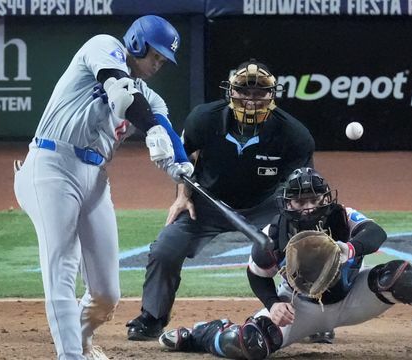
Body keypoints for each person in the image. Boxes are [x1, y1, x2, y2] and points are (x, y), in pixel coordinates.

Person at [157, 168, 412, 360]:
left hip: (353, 298)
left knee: (404, 275)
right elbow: (256, 275)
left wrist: (350, 249)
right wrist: (273, 303)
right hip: (300, 308)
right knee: (249, 344)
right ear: (286, 204)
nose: (307, 207)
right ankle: (201, 334)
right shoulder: (272, 235)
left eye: (313, 199)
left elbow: (376, 233)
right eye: (299, 201)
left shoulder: (343, 216)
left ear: (326, 198)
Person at [13, 15, 193, 360]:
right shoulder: (103, 47)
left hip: (95, 179)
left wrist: (180, 166)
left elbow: (167, 131)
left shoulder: (151, 100)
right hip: (52, 166)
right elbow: (120, 92)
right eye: (155, 54)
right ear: (137, 42)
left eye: (163, 60)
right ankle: (71, 356)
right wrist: (151, 130)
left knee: (106, 293)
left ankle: (79, 340)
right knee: (62, 267)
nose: (158, 64)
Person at [126, 59, 316, 342]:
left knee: (303, 248)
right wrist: (182, 197)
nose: (251, 100)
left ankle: (313, 317)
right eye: (244, 91)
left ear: (272, 94)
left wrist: (294, 225)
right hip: (208, 202)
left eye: (260, 92)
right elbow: (184, 158)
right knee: (165, 250)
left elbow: (299, 186)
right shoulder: (204, 118)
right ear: (231, 92)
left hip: (264, 206)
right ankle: (152, 318)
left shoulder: (293, 133)